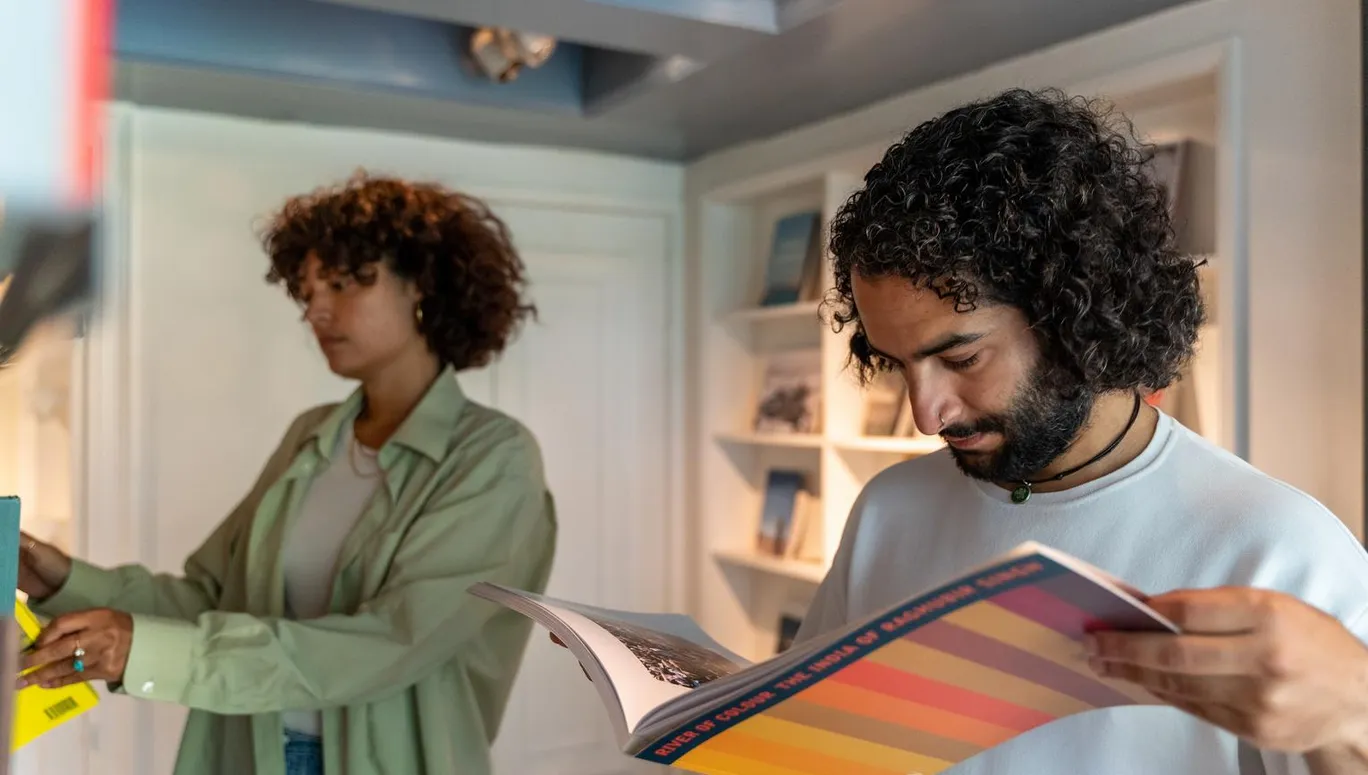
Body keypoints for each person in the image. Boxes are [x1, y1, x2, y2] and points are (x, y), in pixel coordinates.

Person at [800, 87, 1368, 774]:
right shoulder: (887, 509)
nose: (927, 414)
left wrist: (1352, 716)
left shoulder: (1277, 546)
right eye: (898, 365)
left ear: (1075, 312)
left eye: (961, 358)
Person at [13, 173, 559, 775]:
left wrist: (144, 650)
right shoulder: (312, 435)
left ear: (423, 287)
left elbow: (392, 642)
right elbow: (215, 599)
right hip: (254, 753)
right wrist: (61, 578)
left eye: (346, 284)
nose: (317, 311)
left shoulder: (493, 456)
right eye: (307, 292)